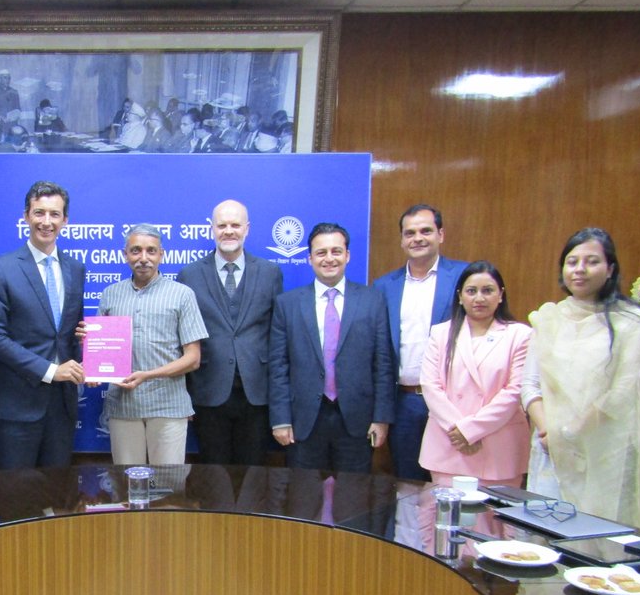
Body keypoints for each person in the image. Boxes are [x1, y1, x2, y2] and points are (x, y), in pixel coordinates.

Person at [522, 228, 640, 536]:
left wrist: (571, 432)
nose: (579, 269)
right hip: (551, 450)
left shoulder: (631, 323)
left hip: (605, 450)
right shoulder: (548, 318)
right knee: (548, 540)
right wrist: (548, 431)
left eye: (591, 261)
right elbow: (530, 386)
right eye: (572, 261)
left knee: (601, 539)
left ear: (610, 269)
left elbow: (621, 394)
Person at [270, 223, 393, 472]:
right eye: (321, 252)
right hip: (304, 420)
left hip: (357, 421)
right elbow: (278, 367)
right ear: (310, 258)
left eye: (336, 251)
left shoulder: (373, 299)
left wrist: (381, 418)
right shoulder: (288, 304)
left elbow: (383, 364)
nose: (329, 259)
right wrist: (280, 419)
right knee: (302, 501)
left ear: (347, 255)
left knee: (353, 499)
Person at [0, 180, 85, 469]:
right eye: (39, 213)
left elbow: (71, 333)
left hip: (62, 407)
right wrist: (51, 371)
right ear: (26, 216)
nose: (46, 222)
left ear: (65, 220)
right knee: (18, 498)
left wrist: (90, 362)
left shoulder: (75, 269)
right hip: (20, 405)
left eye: (54, 214)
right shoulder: (2, 269)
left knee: (57, 496)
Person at [177, 199, 283, 465]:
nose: (229, 231)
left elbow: (278, 336)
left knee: (254, 478)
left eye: (235, 225)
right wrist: (185, 395)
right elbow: (181, 339)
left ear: (247, 228)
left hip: (257, 394)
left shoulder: (271, 273)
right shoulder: (190, 275)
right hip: (208, 391)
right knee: (214, 477)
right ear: (211, 228)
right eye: (222, 225)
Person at [97, 224, 207, 465]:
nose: (143, 258)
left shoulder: (182, 294)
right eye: (136, 251)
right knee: (127, 487)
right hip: (123, 407)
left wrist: (147, 375)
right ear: (125, 254)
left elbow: (193, 358)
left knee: (168, 490)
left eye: (151, 251)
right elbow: (102, 350)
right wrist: (93, 367)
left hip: (168, 406)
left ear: (161, 255)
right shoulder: (110, 294)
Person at [373, 204, 468, 481]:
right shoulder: (384, 286)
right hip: (405, 401)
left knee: (453, 482)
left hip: (453, 402)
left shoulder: (464, 278)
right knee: (409, 484)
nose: (418, 238)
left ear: (441, 234)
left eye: (426, 231)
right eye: (409, 233)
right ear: (402, 240)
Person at [418, 261, 531, 487]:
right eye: (471, 291)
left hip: (498, 445)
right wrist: (459, 431)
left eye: (487, 291)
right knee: (446, 517)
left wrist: (471, 430)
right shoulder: (441, 334)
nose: (479, 298)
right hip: (450, 443)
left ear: (501, 295)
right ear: (460, 297)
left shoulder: (520, 335)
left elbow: (514, 391)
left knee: (497, 519)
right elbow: (430, 386)